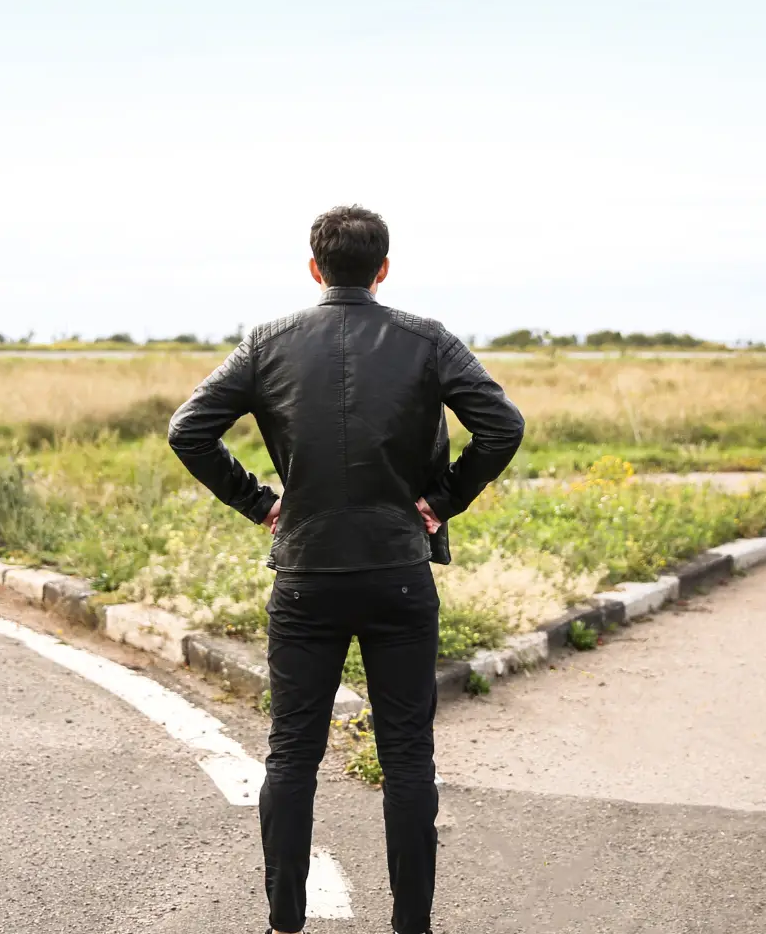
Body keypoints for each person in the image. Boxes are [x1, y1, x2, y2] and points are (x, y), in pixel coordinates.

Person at [167, 205, 524, 934]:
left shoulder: (268, 343)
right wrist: (443, 499)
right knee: (407, 759)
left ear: (313, 268)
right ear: (384, 268)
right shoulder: (427, 340)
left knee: (293, 755)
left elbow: (188, 430)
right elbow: (504, 425)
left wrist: (260, 503)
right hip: (398, 572)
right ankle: (411, 926)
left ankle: (285, 922)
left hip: (305, 577)